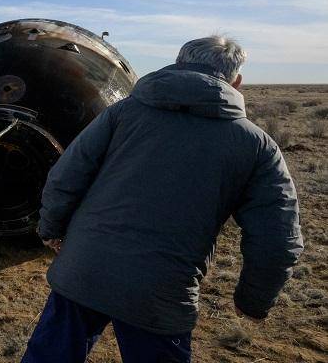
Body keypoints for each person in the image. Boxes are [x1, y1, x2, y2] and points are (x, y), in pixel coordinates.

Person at [23, 36, 303, 362]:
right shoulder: (257, 145)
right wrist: (253, 300)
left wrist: (51, 229)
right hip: (161, 294)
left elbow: (65, 176)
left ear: (178, 63)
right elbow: (278, 237)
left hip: (82, 269)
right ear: (236, 81)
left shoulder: (123, 113)